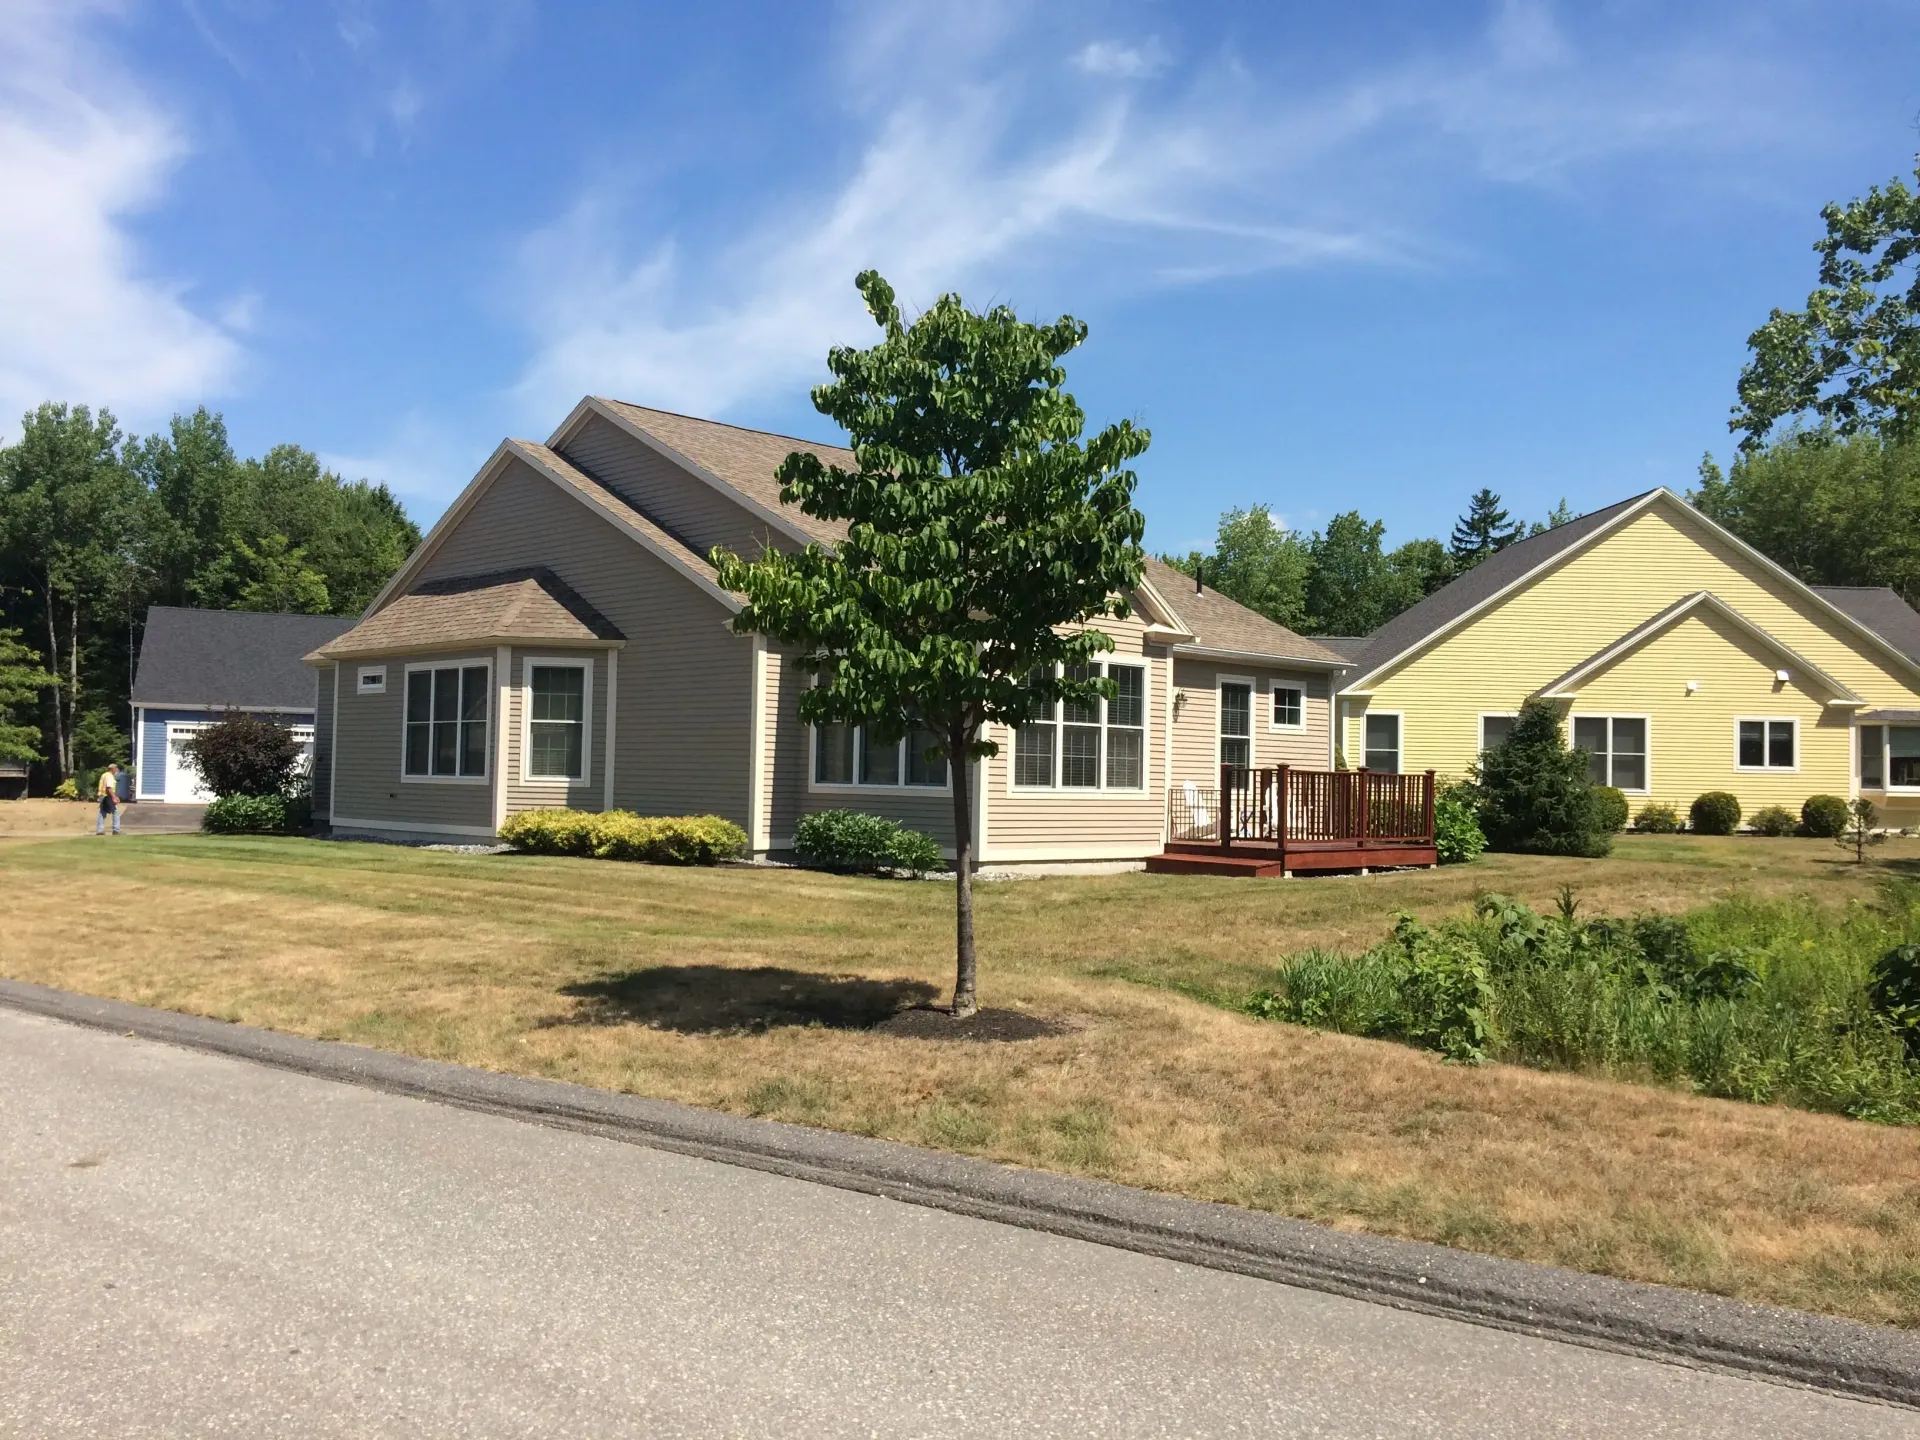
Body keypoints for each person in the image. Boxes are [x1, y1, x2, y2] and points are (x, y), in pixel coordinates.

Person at [95, 762, 121, 835]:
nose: (117, 770)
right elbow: (109, 788)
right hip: (107, 796)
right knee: (115, 812)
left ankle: (100, 830)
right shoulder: (109, 776)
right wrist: (114, 797)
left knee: (103, 812)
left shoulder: (104, 775)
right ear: (112, 769)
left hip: (103, 796)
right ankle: (116, 830)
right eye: (116, 768)